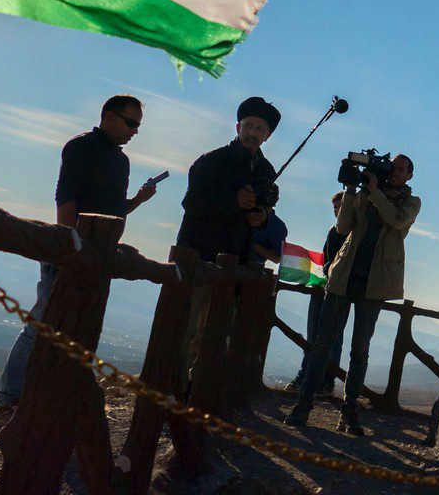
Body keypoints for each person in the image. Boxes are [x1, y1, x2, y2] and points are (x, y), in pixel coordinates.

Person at [0, 95, 156, 427]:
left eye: (138, 125)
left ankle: (52, 397)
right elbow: (66, 197)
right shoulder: (82, 147)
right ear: (109, 116)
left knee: (76, 327)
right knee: (40, 326)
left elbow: (112, 209)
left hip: (98, 255)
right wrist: (70, 245)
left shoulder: (120, 161)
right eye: (130, 122)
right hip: (73, 252)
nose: (135, 131)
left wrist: (137, 200)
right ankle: (9, 401)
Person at [285, 155, 421, 435]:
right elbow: (342, 227)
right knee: (322, 344)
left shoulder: (411, 202)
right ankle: (303, 404)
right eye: (392, 167)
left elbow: (397, 221)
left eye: (400, 169)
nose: (394, 172)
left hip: (376, 283)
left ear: (409, 176)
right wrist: (350, 191)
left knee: (360, 350)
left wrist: (373, 192)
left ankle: (350, 413)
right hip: (344, 277)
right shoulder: (366, 193)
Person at [176, 96, 281, 377]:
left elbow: (264, 213)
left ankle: (196, 393)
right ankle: (170, 389)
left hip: (237, 266)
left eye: (260, 129)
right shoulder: (212, 161)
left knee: (214, 335)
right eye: (249, 126)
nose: (253, 133)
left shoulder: (266, 171)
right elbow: (191, 204)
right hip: (200, 259)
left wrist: (262, 217)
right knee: (185, 330)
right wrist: (233, 200)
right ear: (237, 127)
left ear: (267, 136)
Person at [287, 192, 347, 397]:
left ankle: (326, 382)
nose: (337, 210)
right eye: (335, 207)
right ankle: (306, 376)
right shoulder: (334, 231)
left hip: (338, 291)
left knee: (332, 340)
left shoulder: (352, 233)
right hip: (323, 288)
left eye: (341, 206)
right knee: (314, 337)